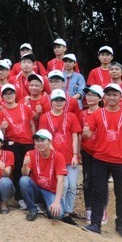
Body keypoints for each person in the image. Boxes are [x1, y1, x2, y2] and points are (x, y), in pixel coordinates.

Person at [83, 83, 122, 241]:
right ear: (104, 97)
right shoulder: (97, 114)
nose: (111, 97)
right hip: (100, 159)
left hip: (121, 161)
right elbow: (90, 134)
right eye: (108, 94)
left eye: (115, 94)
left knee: (121, 194)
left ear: (120, 97)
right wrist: (86, 133)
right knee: (98, 192)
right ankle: (95, 224)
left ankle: (121, 225)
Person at [38, 89, 81, 222]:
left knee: (72, 186)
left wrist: (75, 154)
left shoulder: (71, 116)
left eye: (61, 100)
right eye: (56, 100)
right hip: (56, 158)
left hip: (70, 156)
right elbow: (44, 137)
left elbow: (75, 136)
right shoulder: (44, 117)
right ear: (51, 102)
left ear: (65, 102)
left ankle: (68, 211)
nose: (58, 102)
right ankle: (59, 210)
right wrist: (55, 155)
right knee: (64, 185)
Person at [0, 84, 35, 207]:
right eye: (6, 94)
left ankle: (32, 196)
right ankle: (19, 197)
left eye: (11, 93)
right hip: (12, 143)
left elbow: (32, 124)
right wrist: (3, 128)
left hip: (28, 142)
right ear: (2, 97)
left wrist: (35, 140)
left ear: (15, 94)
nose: (9, 96)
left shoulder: (25, 108)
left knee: (30, 170)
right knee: (17, 170)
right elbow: (0, 134)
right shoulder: (1, 113)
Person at [19, 129, 68, 222]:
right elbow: (24, 174)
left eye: (42, 140)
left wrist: (56, 202)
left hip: (51, 191)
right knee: (24, 180)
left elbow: (61, 180)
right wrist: (25, 165)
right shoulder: (30, 154)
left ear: (50, 141)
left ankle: (45, 205)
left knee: (58, 215)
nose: (39, 143)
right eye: (37, 141)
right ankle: (32, 208)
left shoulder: (58, 156)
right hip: (36, 188)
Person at [78, 85, 108, 225]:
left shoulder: (104, 113)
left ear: (100, 98)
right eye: (88, 95)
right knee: (87, 181)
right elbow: (77, 134)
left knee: (101, 182)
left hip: (102, 152)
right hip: (86, 151)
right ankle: (89, 209)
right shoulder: (82, 113)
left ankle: (102, 209)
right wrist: (77, 152)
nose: (89, 97)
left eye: (93, 95)